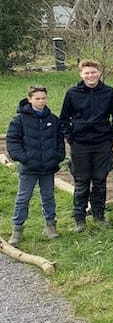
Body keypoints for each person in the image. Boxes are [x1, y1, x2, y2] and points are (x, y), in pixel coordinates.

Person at [60, 59, 113, 231]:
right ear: (81, 74)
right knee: (81, 182)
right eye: (87, 73)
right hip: (79, 144)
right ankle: (79, 218)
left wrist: (111, 137)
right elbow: (64, 118)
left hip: (102, 143)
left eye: (93, 72)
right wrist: (70, 137)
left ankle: (99, 215)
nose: (90, 76)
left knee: (100, 181)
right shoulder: (72, 93)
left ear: (99, 73)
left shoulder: (109, 92)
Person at [6, 85, 65, 246]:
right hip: (29, 167)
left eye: (43, 98)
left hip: (48, 167)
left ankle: (50, 226)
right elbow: (12, 141)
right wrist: (22, 158)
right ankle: (17, 229)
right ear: (30, 99)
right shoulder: (19, 120)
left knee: (48, 196)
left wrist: (58, 156)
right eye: (37, 98)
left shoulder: (53, 120)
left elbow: (60, 141)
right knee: (23, 198)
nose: (41, 101)